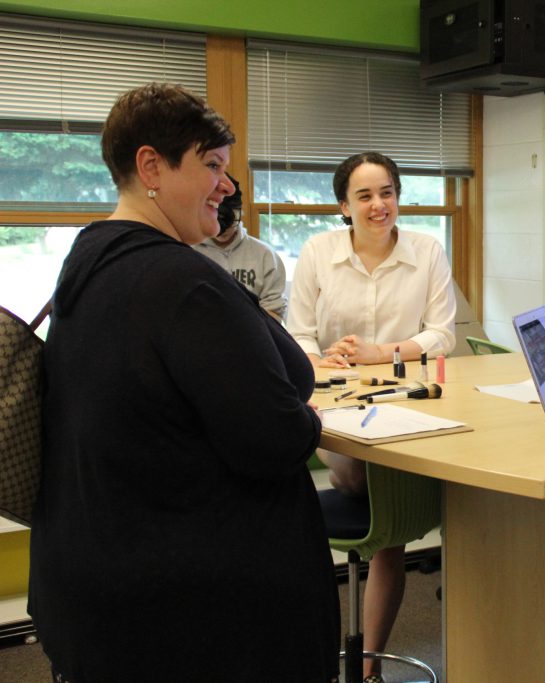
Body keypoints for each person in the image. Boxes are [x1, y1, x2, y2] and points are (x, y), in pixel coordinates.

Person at [29, 83, 340, 682]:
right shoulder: (181, 283)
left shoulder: (90, 260)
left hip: (100, 586)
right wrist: (312, 422)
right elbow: (274, 436)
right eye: (212, 166)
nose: (226, 186)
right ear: (151, 166)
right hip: (192, 617)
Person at [287, 151, 455, 682]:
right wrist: (321, 358)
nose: (378, 205)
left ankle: (367, 665)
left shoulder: (427, 249)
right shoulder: (318, 252)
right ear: (344, 205)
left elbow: (442, 335)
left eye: (387, 192)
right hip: (337, 404)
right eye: (364, 195)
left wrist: (383, 353)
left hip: (405, 399)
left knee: (392, 512)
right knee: (367, 478)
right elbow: (298, 334)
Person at [193, 172, 288, 320]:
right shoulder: (190, 253)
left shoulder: (265, 256)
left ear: (240, 213)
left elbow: (274, 312)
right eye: (218, 219)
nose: (222, 228)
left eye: (230, 220)